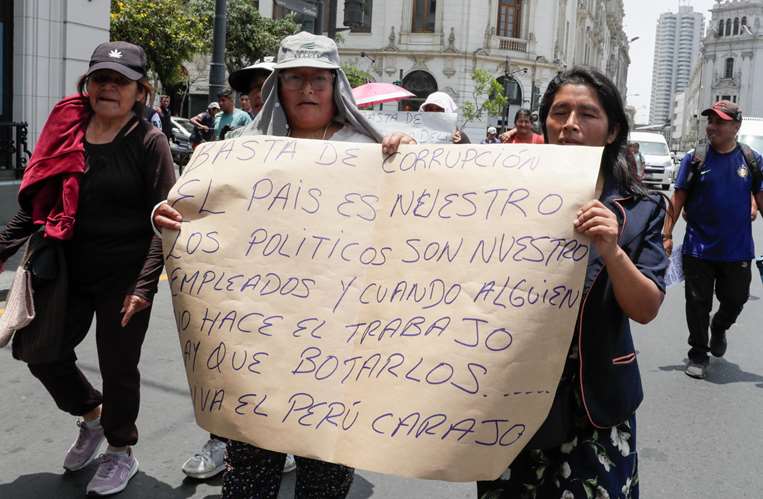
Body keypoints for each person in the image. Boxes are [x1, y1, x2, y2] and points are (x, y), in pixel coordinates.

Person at [152, 31, 414, 499]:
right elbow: (198, 215)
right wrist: (165, 217)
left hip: (340, 349)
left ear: (336, 86)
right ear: (279, 85)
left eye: (319, 79)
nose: (308, 89)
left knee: (325, 477)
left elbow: (418, 228)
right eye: (296, 79)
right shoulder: (243, 150)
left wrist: (410, 161)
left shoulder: (375, 150)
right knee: (249, 474)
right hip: (258, 343)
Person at [476, 67, 668, 499]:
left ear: (612, 128)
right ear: (545, 121)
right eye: (559, 112)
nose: (570, 125)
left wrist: (611, 251)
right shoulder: (503, 191)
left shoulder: (641, 208)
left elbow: (646, 307)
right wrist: (407, 157)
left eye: (587, 113)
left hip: (594, 405)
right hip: (511, 399)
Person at [0, 41, 175, 496]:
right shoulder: (68, 130)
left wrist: (144, 285)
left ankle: (120, 451)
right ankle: (92, 417)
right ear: (88, 84)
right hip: (67, 267)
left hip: (126, 275)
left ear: (141, 91)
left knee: (119, 366)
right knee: (39, 350)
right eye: (101, 79)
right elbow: (40, 201)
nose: (108, 88)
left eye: (121, 81)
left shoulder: (149, 143)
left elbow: (166, 220)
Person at [663, 100, 763, 379]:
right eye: (710, 121)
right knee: (697, 303)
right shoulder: (695, 159)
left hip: (738, 250)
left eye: (719, 122)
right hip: (698, 248)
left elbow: (760, 198)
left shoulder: (751, 160)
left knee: (736, 299)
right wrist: (667, 235)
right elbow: (678, 199)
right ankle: (698, 352)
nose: (712, 127)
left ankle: (719, 327)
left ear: (736, 126)